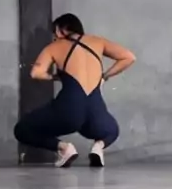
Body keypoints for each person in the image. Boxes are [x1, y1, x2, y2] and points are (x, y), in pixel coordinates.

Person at [14, 13, 136, 167]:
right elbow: (129, 57)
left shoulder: (54, 47)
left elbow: (36, 73)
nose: (55, 36)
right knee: (111, 131)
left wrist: (56, 77)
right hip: (95, 111)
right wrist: (104, 77)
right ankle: (98, 147)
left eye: (55, 32)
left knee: (22, 130)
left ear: (62, 29)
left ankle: (64, 148)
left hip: (68, 110)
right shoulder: (98, 41)